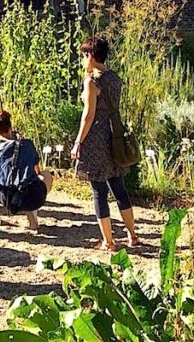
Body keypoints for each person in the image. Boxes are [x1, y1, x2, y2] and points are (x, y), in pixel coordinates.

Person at [71, 36, 140, 252]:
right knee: (119, 188)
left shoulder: (92, 82)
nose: (82, 60)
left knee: (99, 191)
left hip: (97, 138)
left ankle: (109, 242)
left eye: (84, 55)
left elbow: (88, 115)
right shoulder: (114, 78)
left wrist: (77, 142)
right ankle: (132, 235)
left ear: (91, 56)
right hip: (115, 134)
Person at [0, 110, 53, 231]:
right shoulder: (27, 145)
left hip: (7, 199)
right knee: (44, 175)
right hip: (34, 198)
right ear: (11, 128)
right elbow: (37, 171)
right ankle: (32, 217)